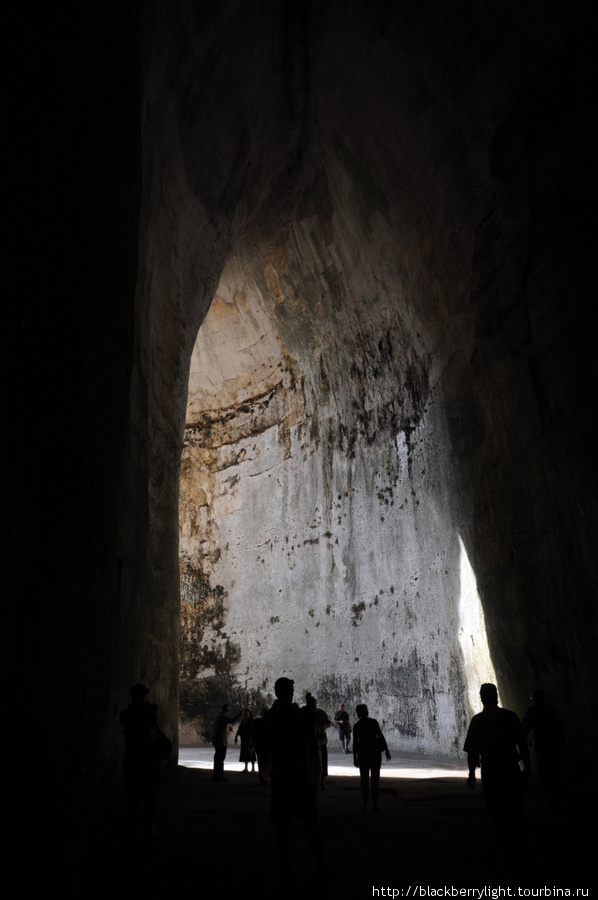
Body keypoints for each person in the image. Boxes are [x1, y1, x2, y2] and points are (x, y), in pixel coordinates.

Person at [263, 678, 328, 878]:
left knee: (297, 822)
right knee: (298, 822)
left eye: (292, 689)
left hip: (290, 773)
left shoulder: (274, 715)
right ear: (279, 692)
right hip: (291, 773)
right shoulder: (291, 714)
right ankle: (301, 867)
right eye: (289, 689)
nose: (292, 692)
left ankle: (295, 867)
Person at [464, 683, 530, 865]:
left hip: (492, 771)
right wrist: (528, 769)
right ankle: (519, 852)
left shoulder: (478, 721)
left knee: (496, 812)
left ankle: (505, 851)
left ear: (482, 698)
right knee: (516, 810)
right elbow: (522, 745)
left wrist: (471, 775)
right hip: (510, 768)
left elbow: (472, 752)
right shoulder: (510, 717)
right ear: (496, 696)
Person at [119, 684, 171, 848]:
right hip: (137, 761)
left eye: (142, 696)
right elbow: (126, 718)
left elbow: (152, 717)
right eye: (138, 696)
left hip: (147, 761)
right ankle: (135, 829)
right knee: (135, 797)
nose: (141, 698)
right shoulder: (132, 713)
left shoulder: (146, 711)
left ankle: (146, 827)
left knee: (150, 796)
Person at [521, 690, 567, 808]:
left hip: (542, 746)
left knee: (544, 771)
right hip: (553, 745)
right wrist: (565, 746)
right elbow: (560, 728)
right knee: (554, 771)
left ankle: (551, 799)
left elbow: (525, 727)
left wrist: (521, 739)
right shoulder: (551, 711)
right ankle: (556, 798)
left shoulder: (533, 711)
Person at [352, 703, 391, 812]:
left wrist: (355, 757)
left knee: (364, 780)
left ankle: (365, 804)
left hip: (364, 753)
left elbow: (355, 743)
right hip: (374, 752)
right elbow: (380, 735)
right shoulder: (373, 722)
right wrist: (386, 750)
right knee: (375, 779)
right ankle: (375, 804)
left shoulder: (357, 726)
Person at [212, 703, 241, 781]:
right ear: (227, 710)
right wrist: (240, 713)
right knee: (220, 758)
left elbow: (226, 725)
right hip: (221, 741)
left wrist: (228, 728)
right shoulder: (222, 717)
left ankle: (217, 775)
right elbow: (233, 720)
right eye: (228, 709)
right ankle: (219, 776)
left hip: (220, 741)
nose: (229, 711)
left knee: (219, 758)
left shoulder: (221, 717)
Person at [235, 708, 257, 773]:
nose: (246, 715)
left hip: (250, 740)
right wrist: (236, 736)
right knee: (245, 753)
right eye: (245, 714)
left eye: (247, 713)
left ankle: (253, 768)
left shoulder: (252, 721)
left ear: (249, 714)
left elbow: (254, 730)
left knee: (251, 753)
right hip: (244, 739)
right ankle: (246, 768)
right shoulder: (243, 721)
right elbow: (240, 729)